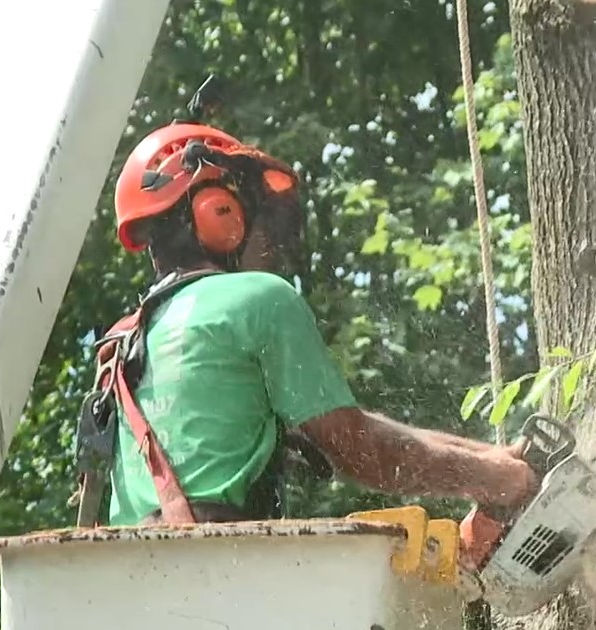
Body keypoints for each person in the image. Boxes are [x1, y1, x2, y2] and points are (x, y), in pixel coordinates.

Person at [79, 118, 539, 527]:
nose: (265, 234)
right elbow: (363, 451)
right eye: (249, 208)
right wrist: (501, 482)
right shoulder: (258, 299)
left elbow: (348, 423)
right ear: (220, 212)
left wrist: (491, 458)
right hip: (214, 568)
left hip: (137, 573)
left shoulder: (128, 339)